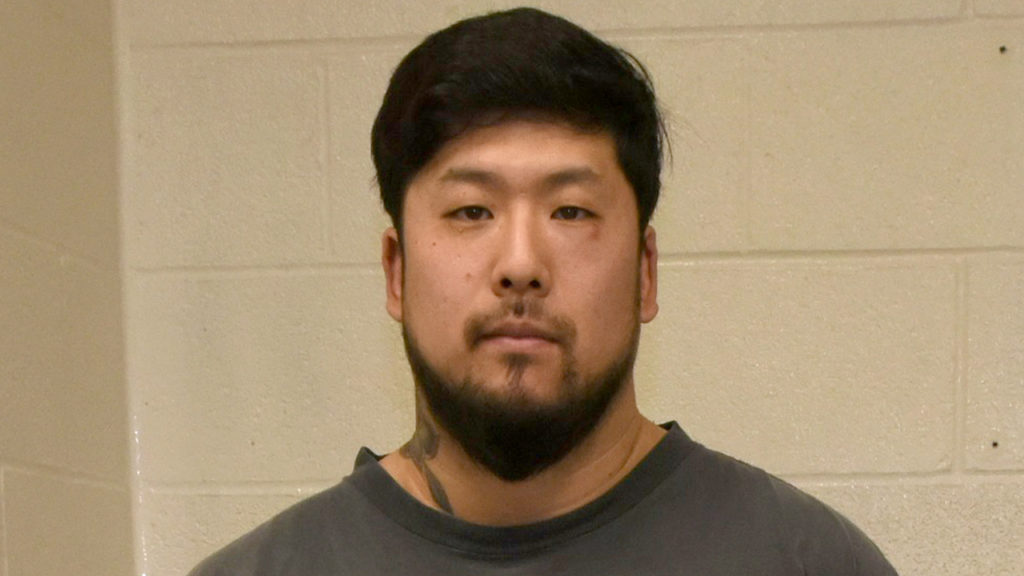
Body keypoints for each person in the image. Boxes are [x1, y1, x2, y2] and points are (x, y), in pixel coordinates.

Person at [189, 7, 898, 575]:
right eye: (472, 211)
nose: (521, 263)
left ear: (646, 272)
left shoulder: (804, 561)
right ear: (396, 272)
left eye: (572, 212)